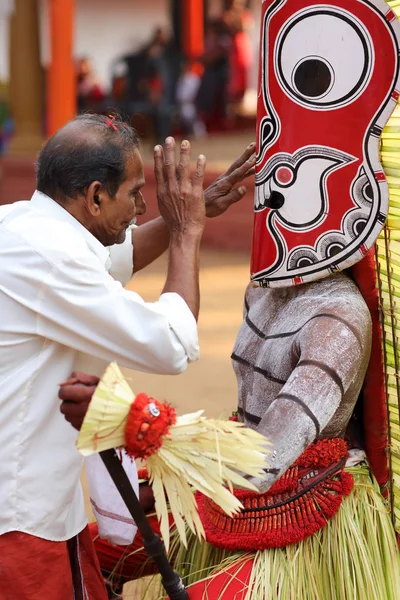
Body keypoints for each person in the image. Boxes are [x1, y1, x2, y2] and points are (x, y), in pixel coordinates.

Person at [59, 1, 400, 597]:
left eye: (291, 171)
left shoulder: (338, 317)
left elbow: (268, 462)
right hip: (237, 492)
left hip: (298, 515)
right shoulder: (268, 288)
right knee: (99, 551)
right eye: (271, 168)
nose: (273, 184)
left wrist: (142, 426)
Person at [0, 112, 256, 600]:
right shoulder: (54, 260)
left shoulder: (25, 222)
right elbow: (172, 345)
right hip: (20, 522)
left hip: (40, 509)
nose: (143, 206)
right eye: (135, 193)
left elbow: (118, 255)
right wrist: (186, 233)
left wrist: (196, 207)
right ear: (96, 196)